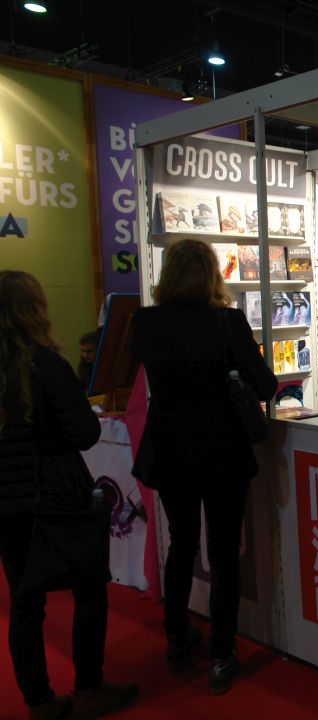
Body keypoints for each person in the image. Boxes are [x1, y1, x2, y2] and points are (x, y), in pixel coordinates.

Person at [132, 239, 277, 694]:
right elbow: (265, 385)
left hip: (169, 450)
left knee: (181, 545)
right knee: (223, 552)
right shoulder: (226, 322)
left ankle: (177, 638)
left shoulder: (146, 322)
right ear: (212, 275)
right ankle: (221, 654)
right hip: (221, 451)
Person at [0, 271, 138, 720]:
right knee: (89, 590)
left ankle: (39, 702)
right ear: (33, 310)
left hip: (8, 503)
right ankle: (89, 687)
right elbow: (84, 432)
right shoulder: (48, 366)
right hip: (58, 495)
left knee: (25, 603)